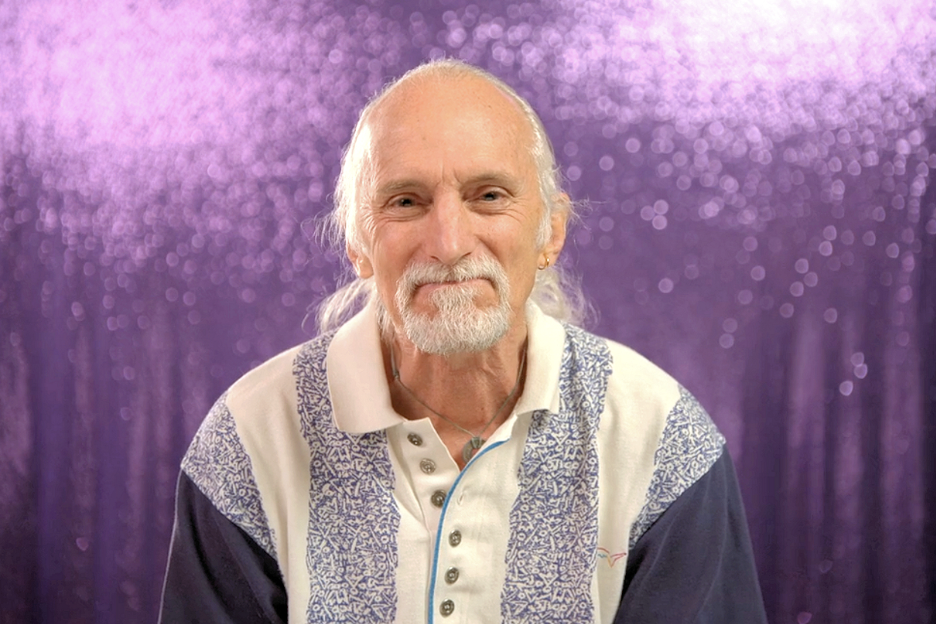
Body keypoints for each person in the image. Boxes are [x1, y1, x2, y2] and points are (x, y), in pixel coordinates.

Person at [159, 59, 767, 624]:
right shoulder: (250, 438)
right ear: (356, 241)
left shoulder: (660, 441)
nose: (448, 243)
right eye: (406, 201)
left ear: (550, 231)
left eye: (489, 196)